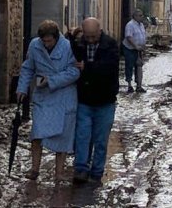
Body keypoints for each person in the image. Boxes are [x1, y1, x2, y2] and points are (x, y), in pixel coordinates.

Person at [16, 20, 81, 181]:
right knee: (37, 133)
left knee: (62, 136)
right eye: (43, 41)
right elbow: (28, 67)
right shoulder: (34, 45)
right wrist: (22, 88)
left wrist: (52, 80)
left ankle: (59, 173)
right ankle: (34, 169)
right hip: (43, 97)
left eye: (49, 41)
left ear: (56, 38)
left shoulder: (68, 47)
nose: (46, 44)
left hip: (64, 96)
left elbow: (74, 71)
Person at [72, 18, 120, 184]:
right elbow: (68, 53)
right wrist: (71, 36)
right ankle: (80, 169)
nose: (91, 40)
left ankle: (97, 172)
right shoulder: (79, 44)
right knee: (82, 136)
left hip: (105, 100)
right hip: (84, 98)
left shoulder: (111, 45)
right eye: (88, 36)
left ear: (100, 31)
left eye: (93, 36)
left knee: (100, 139)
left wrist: (87, 68)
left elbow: (109, 68)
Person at [123, 9, 147, 93]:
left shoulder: (141, 25)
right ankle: (129, 85)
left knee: (139, 67)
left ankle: (139, 86)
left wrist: (143, 47)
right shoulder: (130, 25)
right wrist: (135, 46)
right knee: (129, 66)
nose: (142, 17)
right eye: (140, 15)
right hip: (130, 49)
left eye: (142, 15)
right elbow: (129, 37)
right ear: (135, 16)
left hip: (139, 50)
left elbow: (143, 36)